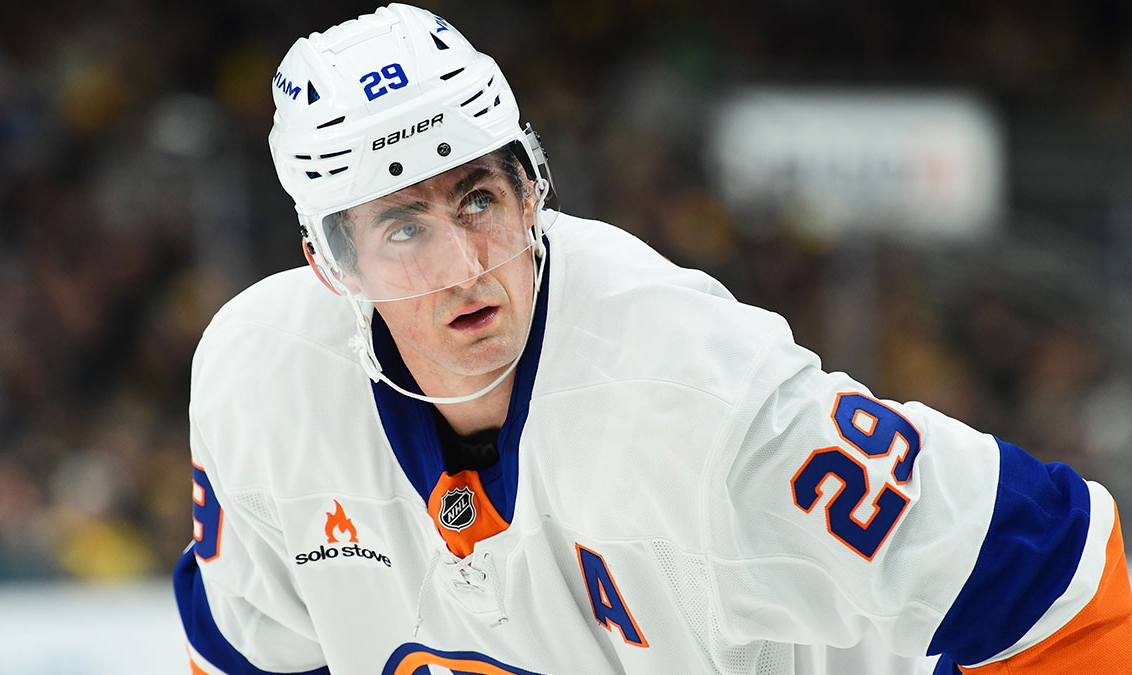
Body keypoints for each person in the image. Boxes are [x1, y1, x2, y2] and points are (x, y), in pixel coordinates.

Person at [173, 4, 1132, 674]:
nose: (464, 263)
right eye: (404, 227)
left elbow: (1057, 569)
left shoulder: (697, 390)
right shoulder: (260, 380)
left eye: (480, 199)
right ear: (330, 262)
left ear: (532, 188)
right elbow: (252, 652)